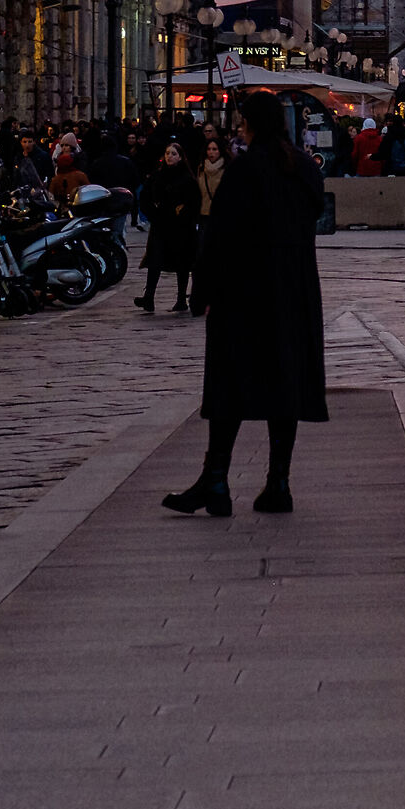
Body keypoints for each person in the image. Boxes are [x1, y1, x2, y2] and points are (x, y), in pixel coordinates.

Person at [164, 88, 327, 517]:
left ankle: (215, 480)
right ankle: (278, 482)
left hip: (244, 294)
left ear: (251, 124)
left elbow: (220, 238)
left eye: (241, 121)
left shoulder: (246, 169)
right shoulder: (305, 168)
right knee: (285, 385)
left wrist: (204, 293)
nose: (237, 128)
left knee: (228, 385)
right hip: (293, 293)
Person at [135, 140, 200, 313]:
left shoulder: (187, 178)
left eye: (173, 154)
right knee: (155, 260)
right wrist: (152, 213)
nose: (169, 156)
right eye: (167, 153)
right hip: (160, 224)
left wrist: (184, 214)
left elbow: (194, 202)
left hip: (181, 228)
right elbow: (145, 197)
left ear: (180, 157)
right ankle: (149, 297)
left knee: (182, 263)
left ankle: (181, 299)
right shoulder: (157, 176)